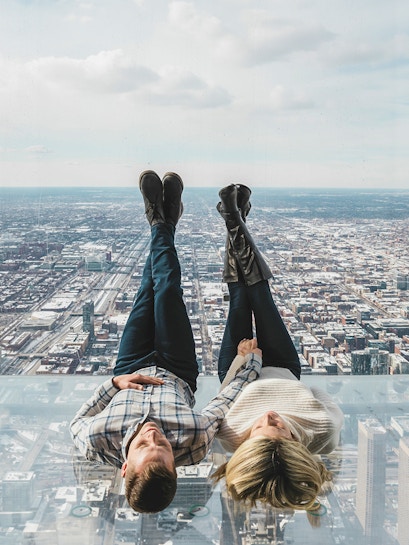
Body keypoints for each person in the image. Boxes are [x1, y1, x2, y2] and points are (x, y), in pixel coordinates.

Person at [70, 171, 262, 514]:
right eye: (166, 447)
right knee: (168, 289)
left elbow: (77, 422)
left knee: (148, 288)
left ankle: (164, 221)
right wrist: (251, 365)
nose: (155, 434)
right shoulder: (195, 442)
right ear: (176, 465)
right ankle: (161, 221)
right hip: (177, 367)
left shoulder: (97, 441)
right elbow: (223, 401)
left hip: (130, 365)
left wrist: (115, 384)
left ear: (125, 466)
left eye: (146, 443)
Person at [212, 183, 344, 511]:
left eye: (260, 428)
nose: (270, 417)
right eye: (280, 429)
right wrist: (287, 388)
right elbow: (315, 391)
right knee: (261, 295)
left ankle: (235, 217)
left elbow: (225, 394)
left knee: (239, 298)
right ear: (297, 446)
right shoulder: (323, 429)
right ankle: (233, 218)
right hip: (284, 366)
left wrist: (243, 361)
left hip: (239, 363)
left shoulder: (229, 436)